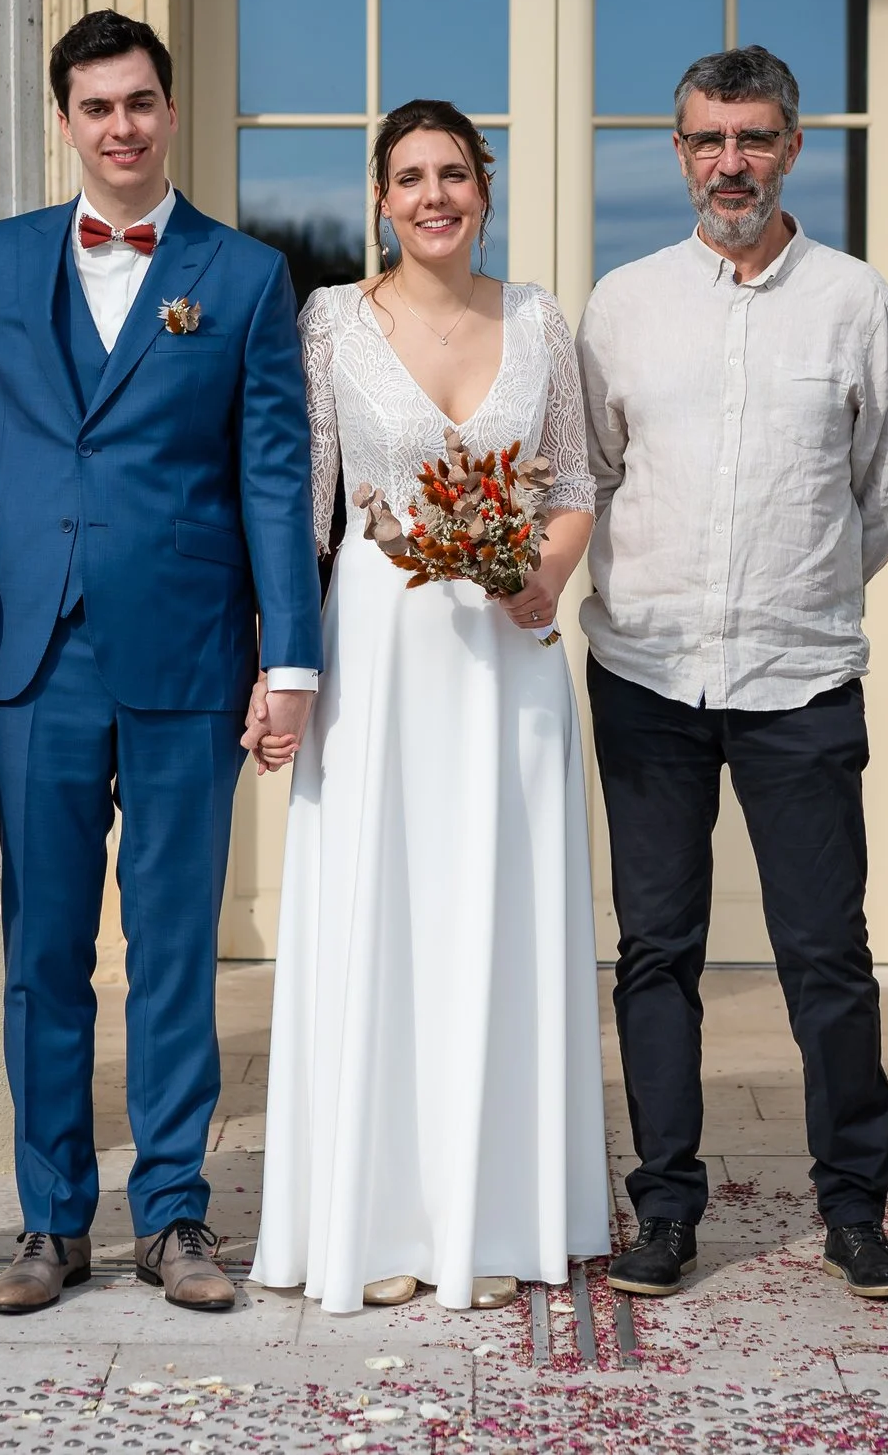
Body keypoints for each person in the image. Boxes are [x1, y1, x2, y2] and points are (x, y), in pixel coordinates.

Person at [0, 11, 324, 1317]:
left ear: (168, 107)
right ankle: (50, 1220)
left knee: (172, 948)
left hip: (188, 653)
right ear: (65, 119)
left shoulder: (245, 276)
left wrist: (292, 657)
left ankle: (174, 1216)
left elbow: (274, 473)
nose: (123, 126)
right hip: (31, 658)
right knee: (43, 948)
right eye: (98, 106)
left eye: (142, 101)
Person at [247, 101, 610, 1315]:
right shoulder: (330, 321)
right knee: (382, 917)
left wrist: (541, 578)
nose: (434, 195)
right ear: (381, 200)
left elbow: (572, 483)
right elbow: (301, 510)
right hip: (380, 660)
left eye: (454, 172)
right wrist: (283, 670)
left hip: (507, 666)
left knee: (500, 919)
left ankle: (498, 1209)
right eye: (411, 178)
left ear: (485, 186)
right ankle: (382, 1211)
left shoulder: (540, 318)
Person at [578, 46, 888, 1302]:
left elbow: (886, 486)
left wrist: (807, 584)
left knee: (825, 954)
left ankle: (855, 1212)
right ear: (677, 153)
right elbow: (595, 475)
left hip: (800, 676)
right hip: (647, 676)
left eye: (755, 137)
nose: (731, 161)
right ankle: (665, 1210)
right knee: (655, 951)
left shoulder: (853, 301)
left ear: (793, 148)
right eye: (708, 139)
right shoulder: (621, 304)